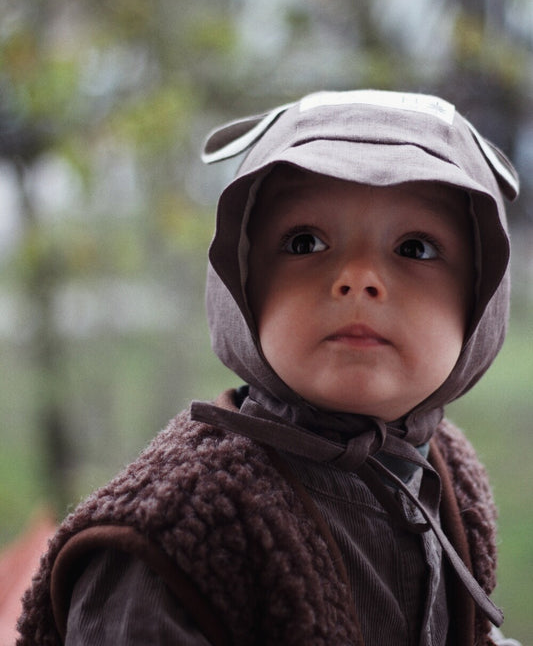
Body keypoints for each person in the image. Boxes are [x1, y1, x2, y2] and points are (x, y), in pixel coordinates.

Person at [17, 90, 523, 646]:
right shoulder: (173, 542)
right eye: (306, 242)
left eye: (416, 248)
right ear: (243, 285)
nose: (358, 277)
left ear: (479, 300)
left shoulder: (443, 471)